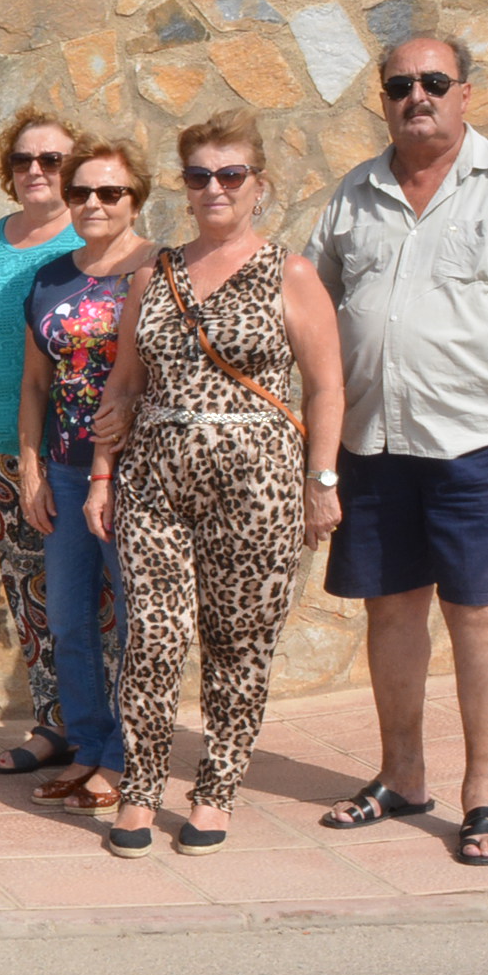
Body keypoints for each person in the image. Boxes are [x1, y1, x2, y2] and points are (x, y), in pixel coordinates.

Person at [308, 37, 488, 866]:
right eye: (400, 85)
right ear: (383, 97)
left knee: (479, 615)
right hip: (374, 440)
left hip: (478, 441)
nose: (417, 96)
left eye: (434, 82)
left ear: (466, 94)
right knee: (391, 611)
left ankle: (486, 795)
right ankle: (401, 775)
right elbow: (311, 304)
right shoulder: (354, 194)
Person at [85, 111, 346, 857]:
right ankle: (139, 790)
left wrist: (321, 481)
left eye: (231, 174)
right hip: (155, 480)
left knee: (239, 643)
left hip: (258, 483)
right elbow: (123, 389)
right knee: (155, 641)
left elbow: (326, 387)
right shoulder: (153, 275)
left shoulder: (289, 272)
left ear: (258, 185)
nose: (214, 188)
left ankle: (217, 789)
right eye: (199, 175)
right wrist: (103, 478)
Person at [13, 141, 155, 816]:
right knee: (70, 623)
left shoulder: (158, 270)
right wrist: (32, 466)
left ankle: (130, 759)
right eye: (81, 193)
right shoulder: (50, 277)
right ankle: (91, 747)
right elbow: (35, 382)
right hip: (66, 476)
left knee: (136, 623)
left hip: (140, 478)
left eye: (110, 193)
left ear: (137, 199)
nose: (93, 204)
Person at [0, 108, 79, 774]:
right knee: (28, 589)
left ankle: (102, 732)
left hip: (72, 453)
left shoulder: (93, 241)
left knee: (89, 593)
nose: (36, 171)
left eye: (52, 160)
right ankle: (52, 725)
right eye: (24, 160)